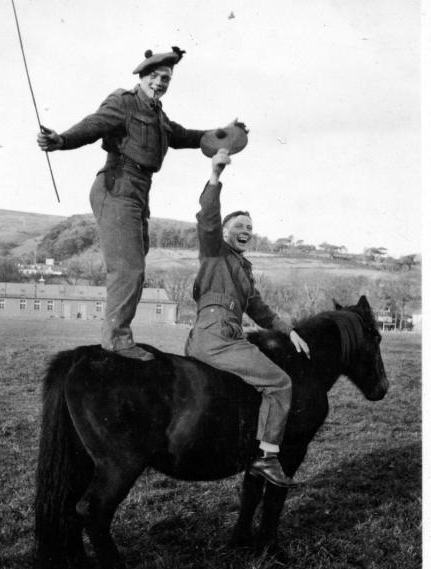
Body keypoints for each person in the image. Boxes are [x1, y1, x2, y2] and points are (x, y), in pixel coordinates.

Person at [38, 47, 211, 360]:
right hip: (117, 185)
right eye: (155, 77)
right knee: (128, 268)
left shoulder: (158, 114)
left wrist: (216, 136)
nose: (160, 83)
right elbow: (93, 125)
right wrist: (61, 140)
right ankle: (117, 340)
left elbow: (181, 135)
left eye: (166, 79)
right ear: (142, 77)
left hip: (139, 191)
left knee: (135, 267)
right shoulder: (124, 102)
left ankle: (118, 334)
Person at [185, 149, 310, 488]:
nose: (246, 231)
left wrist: (290, 332)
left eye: (249, 228)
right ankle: (267, 456)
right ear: (224, 232)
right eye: (239, 225)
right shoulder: (214, 252)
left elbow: (261, 310)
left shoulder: (243, 270)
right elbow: (207, 219)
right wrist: (215, 176)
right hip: (218, 338)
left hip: (216, 336)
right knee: (281, 383)